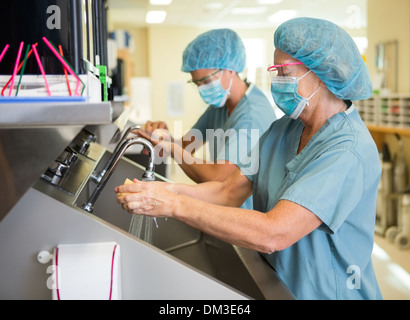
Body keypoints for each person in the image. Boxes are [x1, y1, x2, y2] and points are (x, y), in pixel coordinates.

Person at [116, 17, 382, 300]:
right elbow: (228, 190)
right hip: (280, 283)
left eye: (284, 72)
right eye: (274, 70)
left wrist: (173, 204)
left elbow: (274, 234)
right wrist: (164, 189)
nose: (276, 79)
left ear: (321, 72)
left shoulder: (345, 150)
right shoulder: (283, 130)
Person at [135, 28, 276, 210]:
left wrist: (171, 148)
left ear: (230, 69)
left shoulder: (252, 116)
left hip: (249, 215)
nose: (203, 89)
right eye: (197, 84)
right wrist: (162, 138)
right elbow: (187, 145)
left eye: (207, 81)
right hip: (228, 213)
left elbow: (218, 178)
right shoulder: (220, 107)